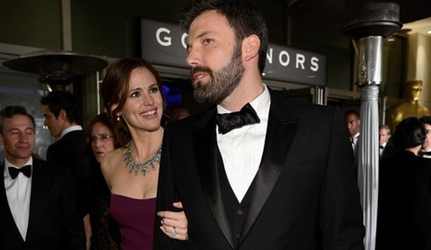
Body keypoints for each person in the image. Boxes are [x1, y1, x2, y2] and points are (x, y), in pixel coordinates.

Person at [154, 0, 365, 249]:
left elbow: (343, 237)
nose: (190, 57)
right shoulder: (179, 136)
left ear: (249, 47)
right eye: (189, 47)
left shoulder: (320, 127)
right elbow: (167, 240)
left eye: (206, 41)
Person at [0, 105, 85, 250]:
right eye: (15, 133)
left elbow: (73, 231)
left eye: (29, 132)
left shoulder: (59, 176)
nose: (24, 139)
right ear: (0, 138)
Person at [100, 58, 188, 250]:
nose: (149, 101)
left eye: (153, 90)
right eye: (135, 94)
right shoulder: (109, 163)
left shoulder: (187, 152)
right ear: (116, 107)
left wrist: (194, 228)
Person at [377, 117, 431, 250]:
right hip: (417, 236)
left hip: (386, 233)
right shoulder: (426, 167)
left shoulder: (383, 164)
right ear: (421, 139)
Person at [81, 113, 120, 250]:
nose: (97, 144)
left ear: (117, 138)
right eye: (93, 139)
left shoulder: (130, 175)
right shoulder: (91, 179)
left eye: (104, 137)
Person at [40, 90, 85, 182]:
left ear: (63, 115)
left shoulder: (56, 150)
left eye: (48, 117)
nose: (45, 123)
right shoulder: (93, 141)